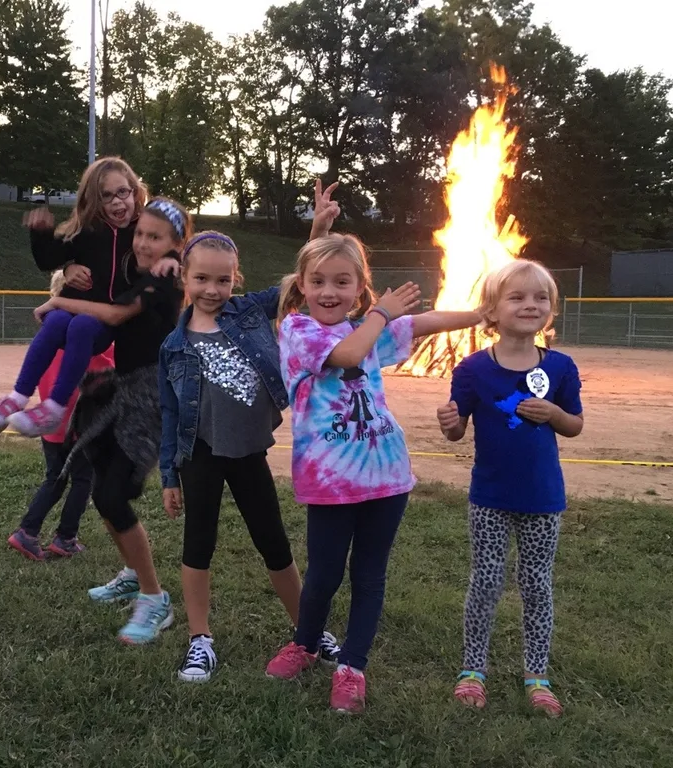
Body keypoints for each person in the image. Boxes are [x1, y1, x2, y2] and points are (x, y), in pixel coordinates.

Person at [264, 233, 479, 714]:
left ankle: (352, 667)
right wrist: (381, 312)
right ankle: (306, 643)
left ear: (359, 287)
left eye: (343, 282)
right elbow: (346, 355)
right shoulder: (298, 330)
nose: (329, 291)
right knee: (322, 574)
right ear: (301, 285)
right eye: (318, 281)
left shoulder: (367, 326)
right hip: (329, 484)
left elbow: (421, 322)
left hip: (386, 479)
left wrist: (479, 314)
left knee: (369, 576)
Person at [157, 182, 345, 683]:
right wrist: (169, 477)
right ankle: (200, 641)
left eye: (223, 280)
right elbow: (171, 415)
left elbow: (296, 284)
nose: (212, 290)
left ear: (235, 279)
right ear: (186, 279)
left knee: (274, 544)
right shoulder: (173, 346)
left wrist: (318, 230)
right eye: (202, 279)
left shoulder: (246, 311)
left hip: (247, 454)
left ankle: (307, 631)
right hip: (199, 455)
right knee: (198, 545)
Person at [32, 197, 191, 645]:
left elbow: (119, 315)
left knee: (111, 495)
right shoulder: (137, 270)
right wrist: (68, 268)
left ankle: (155, 599)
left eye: (155, 238)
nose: (142, 243)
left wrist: (59, 300)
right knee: (101, 478)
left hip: (150, 399)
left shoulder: (164, 280)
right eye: (141, 233)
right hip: (120, 387)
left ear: (175, 244)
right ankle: (130, 573)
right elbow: (95, 254)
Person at [437, 259, 583, 718]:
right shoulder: (473, 369)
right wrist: (450, 423)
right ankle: (473, 670)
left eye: (540, 298)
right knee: (486, 581)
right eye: (517, 297)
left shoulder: (560, 367)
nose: (530, 305)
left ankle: (537, 675)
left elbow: (575, 425)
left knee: (537, 584)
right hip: (490, 498)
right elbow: (457, 431)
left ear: (551, 311)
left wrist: (554, 416)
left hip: (543, 499)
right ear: (492, 311)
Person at [0, 157, 175, 437]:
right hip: (74, 309)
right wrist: (42, 234)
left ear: (135, 191)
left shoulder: (141, 232)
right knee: (57, 320)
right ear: (94, 201)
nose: (117, 203)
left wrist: (172, 259)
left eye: (123, 192)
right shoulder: (88, 230)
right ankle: (17, 396)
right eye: (106, 196)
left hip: (103, 322)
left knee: (81, 325)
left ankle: (55, 407)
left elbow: (171, 239)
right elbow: (48, 259)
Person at [7, 270, 115, 561]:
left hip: (50, 426)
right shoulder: (90, 339)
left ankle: (27, 532)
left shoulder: (50, 337)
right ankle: (65, 538)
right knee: (82, 479)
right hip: (79, 427)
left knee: (55, 477)